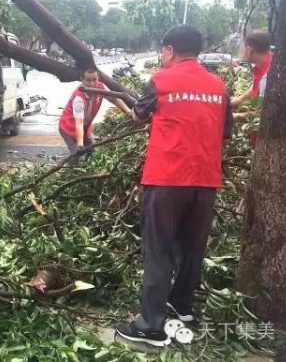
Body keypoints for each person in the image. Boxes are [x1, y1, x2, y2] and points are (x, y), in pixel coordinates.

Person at [116, 25, 233, 347]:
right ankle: (182, 307)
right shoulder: (219, 87)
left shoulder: (160, 81)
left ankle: (151, 326)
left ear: (169, 50)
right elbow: (225, 133)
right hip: (205, 181)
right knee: (191, 249)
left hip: (167, 179)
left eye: (162, 52)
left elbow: (139, 116)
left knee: (159, 251)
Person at [58, 68, 132, 166]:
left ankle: (88, 169)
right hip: (68, 127)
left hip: (84, 127)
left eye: (94, 80)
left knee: (92, 150)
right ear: (82, 79)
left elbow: (115, 100)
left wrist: (129, 112)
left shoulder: (101, 87)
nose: (92, 84)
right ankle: (71, 172)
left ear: (98, 78)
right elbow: (79, 123)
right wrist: (80, 144)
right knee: (76, 154)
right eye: (88, 80)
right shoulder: (79, 98)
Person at [231, 31, 273, 110]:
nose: (241, 52)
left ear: (249, 50)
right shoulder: (263, 64)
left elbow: (260, 110)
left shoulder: (267, 76)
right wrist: (239, 99)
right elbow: (255, 89)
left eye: (242, 48)